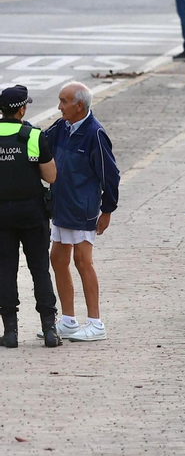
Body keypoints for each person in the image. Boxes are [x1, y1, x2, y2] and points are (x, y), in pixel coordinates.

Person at [36, 81, 114, 343]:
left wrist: (107, 209)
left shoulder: (95, 133)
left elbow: (110, 174)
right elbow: (39, 143)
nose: (59, 107)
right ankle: (68, 320)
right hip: (61, 204)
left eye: (63, 102)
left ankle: (95, 323)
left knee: (83, 261)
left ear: (79, 105)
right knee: (58, 259)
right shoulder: (61, 127)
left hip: (83, 208)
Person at [0, 85, 58, 347]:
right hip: (32, 212)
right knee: (39, 270)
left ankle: (10, 332)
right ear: (21, 109)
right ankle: (49, 330)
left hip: (1, 213)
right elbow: (51, 176)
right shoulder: (33, 136)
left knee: (5, 270)